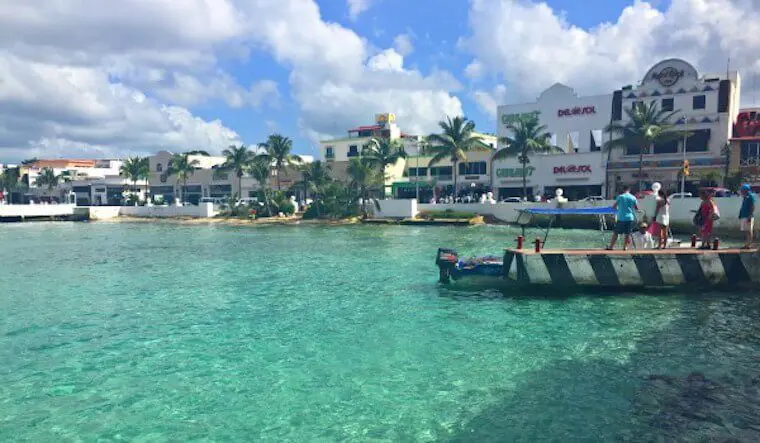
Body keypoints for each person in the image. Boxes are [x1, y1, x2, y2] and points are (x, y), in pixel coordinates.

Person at [607, 185, 638, 250]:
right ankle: (625, 247)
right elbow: (636, 208)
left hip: (621, 217)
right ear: (629, 190)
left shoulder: (620, 197)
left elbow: (614, 206)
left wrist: (617, 209)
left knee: (616, 233)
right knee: (627, 233)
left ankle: (611, 247)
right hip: (630, 217)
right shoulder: (633, 197)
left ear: (623, 190)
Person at [739, 183, 756, 249]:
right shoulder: (745, 197)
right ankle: (747, 244)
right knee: (746, 230)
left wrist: (750, 215)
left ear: (745, 190)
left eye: (742, 189)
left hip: (748, 216)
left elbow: (752, 206)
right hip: (744, 216)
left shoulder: (750, 196)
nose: (741, 191)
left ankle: (749, 244)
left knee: (749, 230)